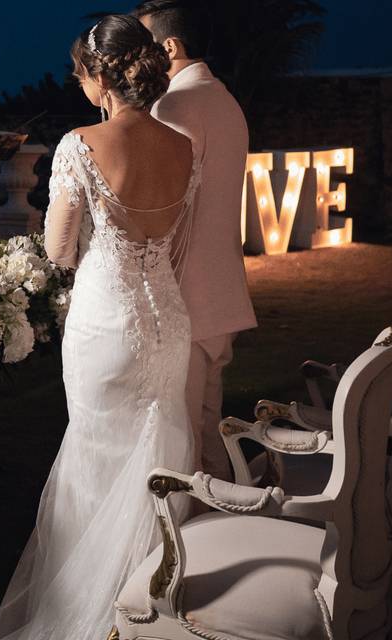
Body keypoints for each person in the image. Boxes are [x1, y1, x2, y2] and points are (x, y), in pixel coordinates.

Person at [0, 15, 197, 639]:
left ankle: (87, 615)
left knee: (95, 460)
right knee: (161, 451)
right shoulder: (183, 144)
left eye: (80, 72)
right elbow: (173, 240)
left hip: (108, 319)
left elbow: (57, 249)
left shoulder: (82, 144)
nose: (78, 82)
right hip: (169, 321)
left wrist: (91, 252)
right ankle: (148, 607)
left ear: (101, 76)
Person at [135, 0, 257, 482]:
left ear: (169, 46)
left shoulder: (176, 104)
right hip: (220, 291)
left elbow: (164, 206)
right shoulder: (224, 98)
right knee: (207, 434)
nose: (134, 61)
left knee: (182, 443)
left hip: (185, 295)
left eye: (142, 48)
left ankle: (189, 545)